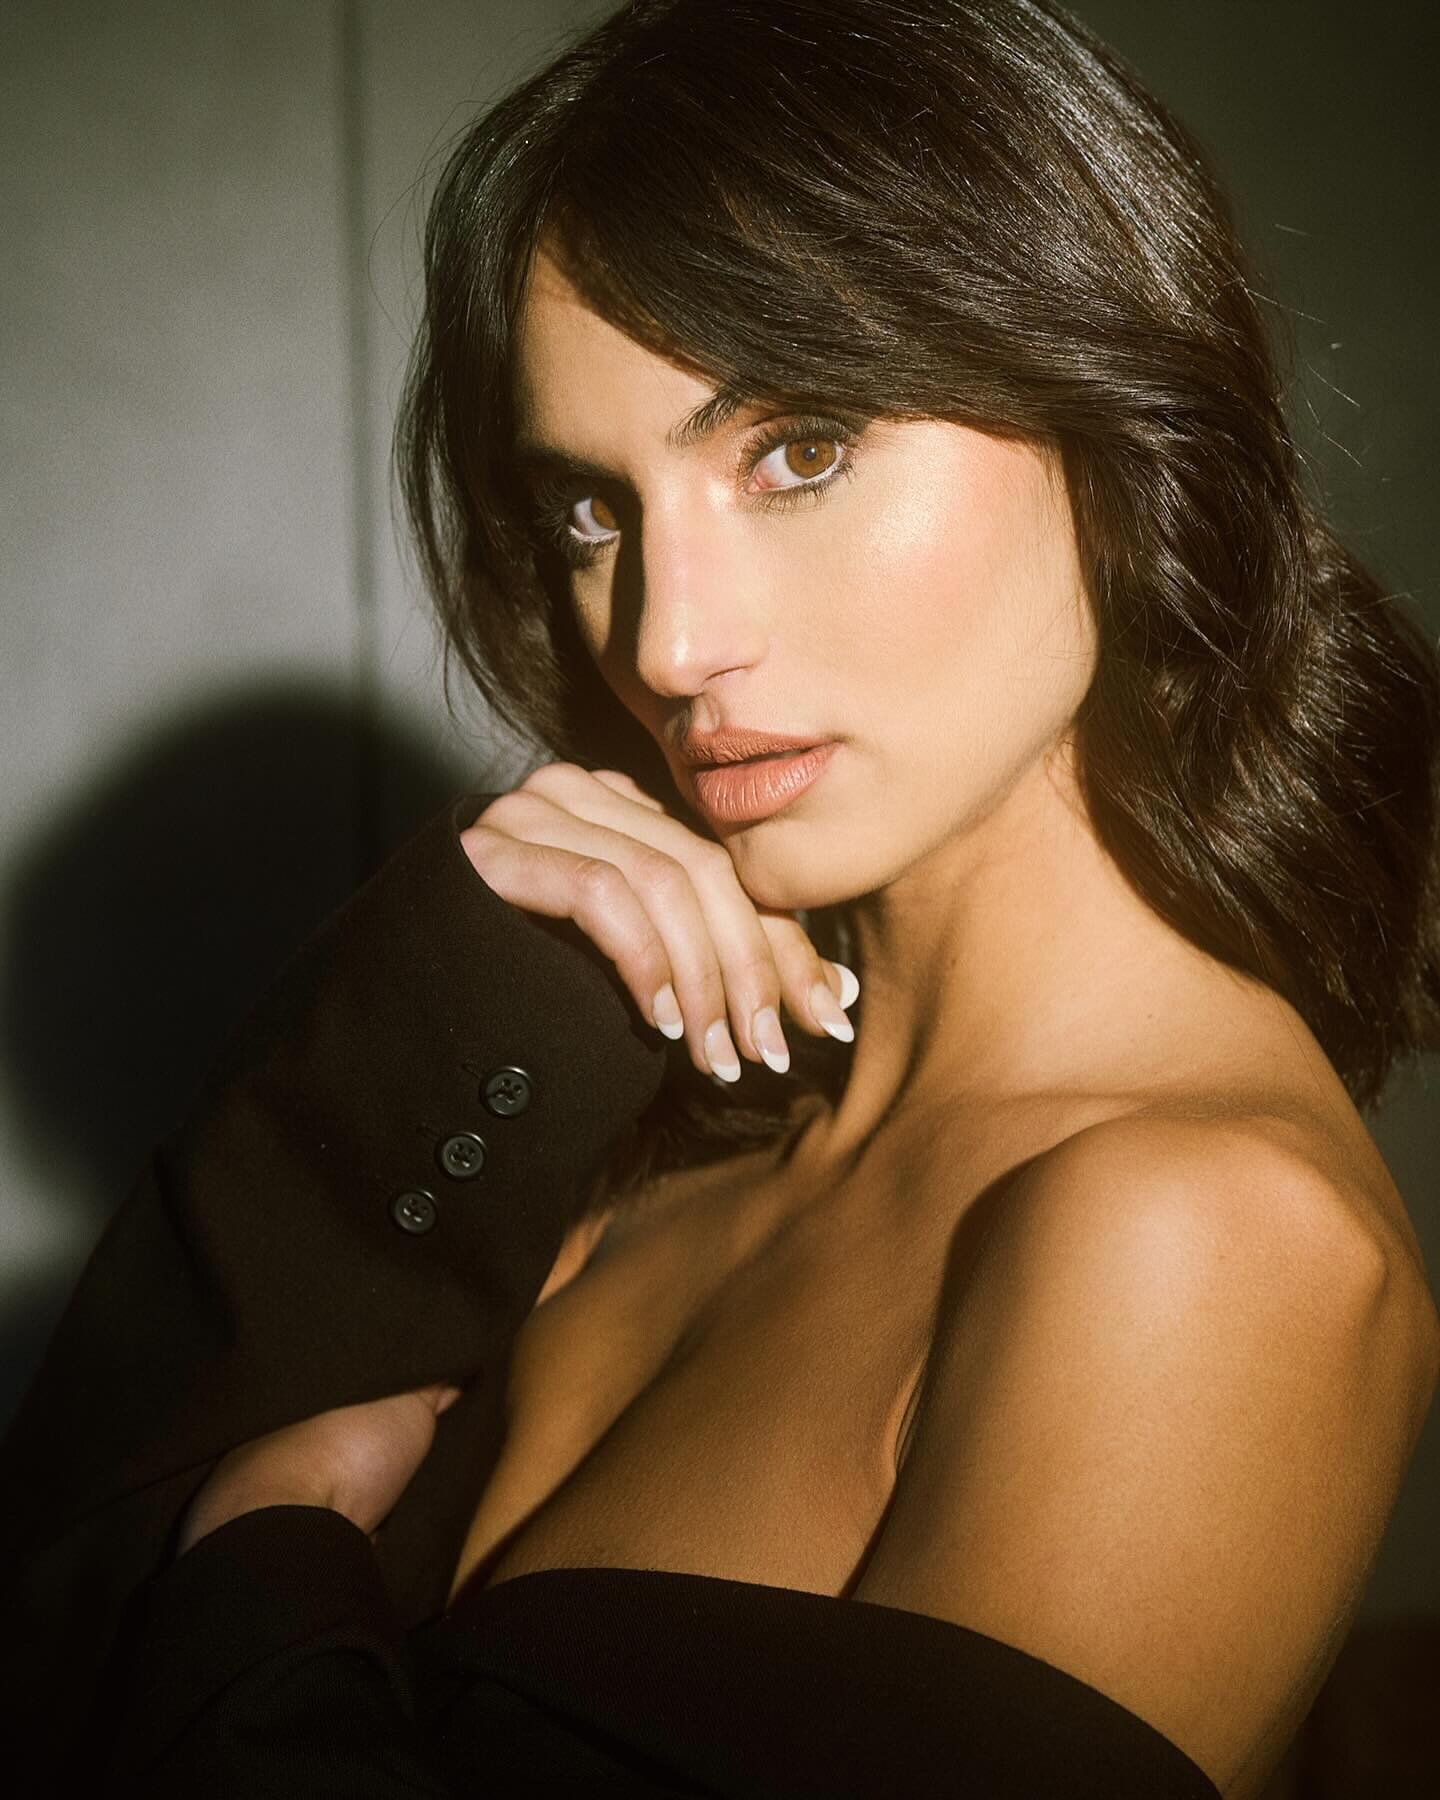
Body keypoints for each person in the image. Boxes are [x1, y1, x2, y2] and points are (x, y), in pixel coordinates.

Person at [2, 1, 1438, 1795]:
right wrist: (436, 987)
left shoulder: (1196, 1237)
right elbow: (46, 1639)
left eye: (800, 449)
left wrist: (266, 1570)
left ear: (1113, 422)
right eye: (592, 510)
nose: (670, 643)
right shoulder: (657, 1140)